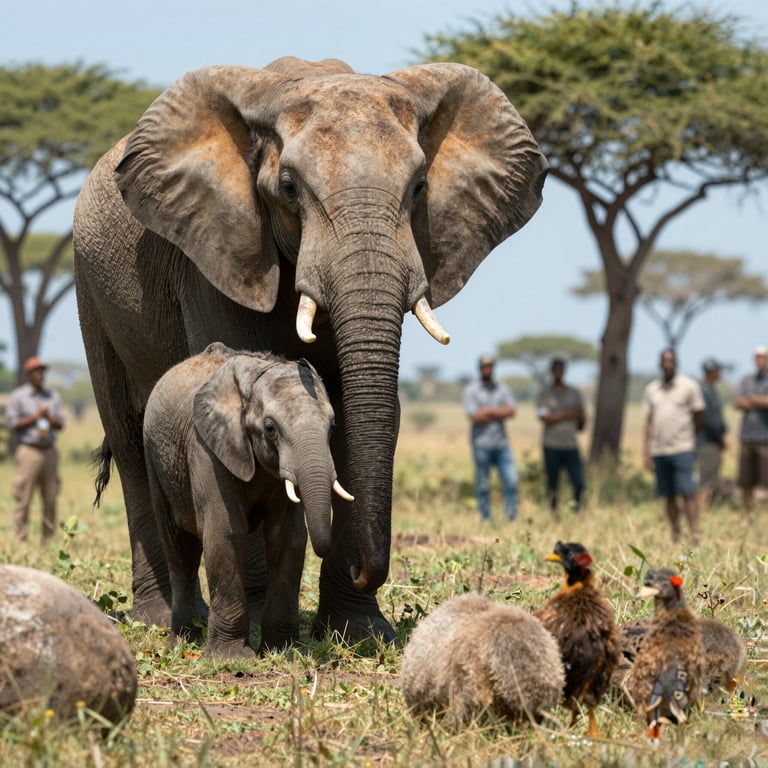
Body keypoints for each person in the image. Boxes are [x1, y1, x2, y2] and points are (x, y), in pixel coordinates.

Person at [642, 348, 704, 544]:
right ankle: (675, 534)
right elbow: (649, 422)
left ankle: (694, 534)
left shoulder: (689, 386)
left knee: (688, 492)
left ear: (676, 363)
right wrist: (646, 451)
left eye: (671, 361)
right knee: (668, 494)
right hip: (660, 449)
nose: (667, 364)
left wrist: (689, 436)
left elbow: (699, 416)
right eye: (664, 361)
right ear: (659, 364)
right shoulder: (652, 389)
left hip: (682, 448)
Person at [6, 356, 65, 542]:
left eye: (42, 371)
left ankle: (48, 539)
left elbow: (61, 424)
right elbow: (13, 424)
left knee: (51, 496)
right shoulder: (18, 396)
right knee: (23, 496)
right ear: (28, 374)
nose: (40, 374)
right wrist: (35, 417)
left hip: (49, 450)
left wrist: (49, 418)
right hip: (28, 451)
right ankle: (20, 537)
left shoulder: (52, 396)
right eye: (36, 371)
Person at [463, 355, 518, 523]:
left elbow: (511, 411)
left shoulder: (502, 388)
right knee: (483, 484)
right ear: (479, 369)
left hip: (501, 443)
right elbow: (474, 417)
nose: (488, 369)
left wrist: (488, 411)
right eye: (485, 367)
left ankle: (510, 516)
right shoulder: (471, 390)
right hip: (481, 444)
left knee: (511, 480)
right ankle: (485, 517)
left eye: (490, 366)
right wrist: (499, 412)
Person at [536, 356, 586, 516]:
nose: (559, 373)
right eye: (556, 369)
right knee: (553, 483)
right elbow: (544, 419)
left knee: (578, 482)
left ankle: (578, 511)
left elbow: (581, 418)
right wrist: (569, 414)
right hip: (551, 444)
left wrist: (558, 416)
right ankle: (553, 513)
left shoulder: (574, 392)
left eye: (561, 369)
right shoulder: (544, 393)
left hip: (570, 444)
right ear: (551, 371)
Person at [733, 345, 768, 514]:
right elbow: (737, 402)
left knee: (765, 479)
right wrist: (760, 401)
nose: (760, 361)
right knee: (746, 480)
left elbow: (748, 401)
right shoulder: (747, 380)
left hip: (765, 438)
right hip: (747, 437)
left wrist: (752, 399)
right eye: (758, 357)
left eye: (763, 357)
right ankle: (747, 513)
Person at [696, 358, 727, 510]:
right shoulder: (704, 390)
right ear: (712, 372)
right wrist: (719, 437)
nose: (720, 373)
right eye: (718, 370)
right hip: (707, 441)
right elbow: (709, 419)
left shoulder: (711, 389)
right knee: (706, 479)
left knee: (711, 477)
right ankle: (701, 510)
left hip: (711, 440)